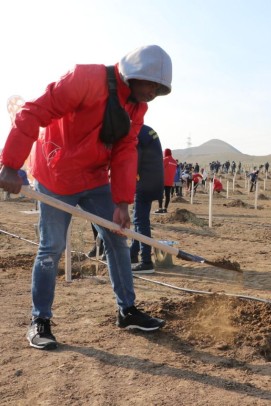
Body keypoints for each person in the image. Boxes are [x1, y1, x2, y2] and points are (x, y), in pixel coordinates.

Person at [0, 45, 173, 350]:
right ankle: (40, 320)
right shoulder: (85, 79)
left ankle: (127, 310)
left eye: (160, 89)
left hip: (95, 178)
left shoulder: (136, 106)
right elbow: (33, 112)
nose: (154, 93)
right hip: (56, 174)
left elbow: (124, 150)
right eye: (151, 85)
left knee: (117, 236)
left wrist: (121, 203)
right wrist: (11, 165)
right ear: (133, 75)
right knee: (51, 247)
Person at [130, 125, 164, 274]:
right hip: (154, 179)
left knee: (140, 221)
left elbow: (135, 161)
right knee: (139, 219)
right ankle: (133, 253)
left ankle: (146, 261)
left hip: (145, 181)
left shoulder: (136, 133)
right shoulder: (145, 130)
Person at [156, 148, 177, 213]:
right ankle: (165, 208)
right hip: (170, 181)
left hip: (163, 180)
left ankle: (160, 208)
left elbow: (159, 167)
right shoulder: (174, 161)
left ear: (165, 153)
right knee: (167, 195)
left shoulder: (165, 159)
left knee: (160, 194)